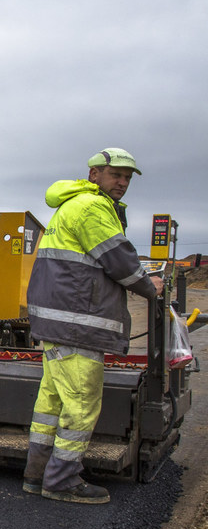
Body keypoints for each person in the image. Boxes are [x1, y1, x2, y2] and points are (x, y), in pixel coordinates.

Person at [21, 148, 163, 504]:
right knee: (81, 404)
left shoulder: (72, 205)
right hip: (76, 325)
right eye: (116, 175)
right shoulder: (92, 208)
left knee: (50, 405)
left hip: (60, 324)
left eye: (127, 178)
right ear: (94, 174)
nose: (123, 183)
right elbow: (120, 262)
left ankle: (37, 475)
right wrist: (151, 287)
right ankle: (62, 481)